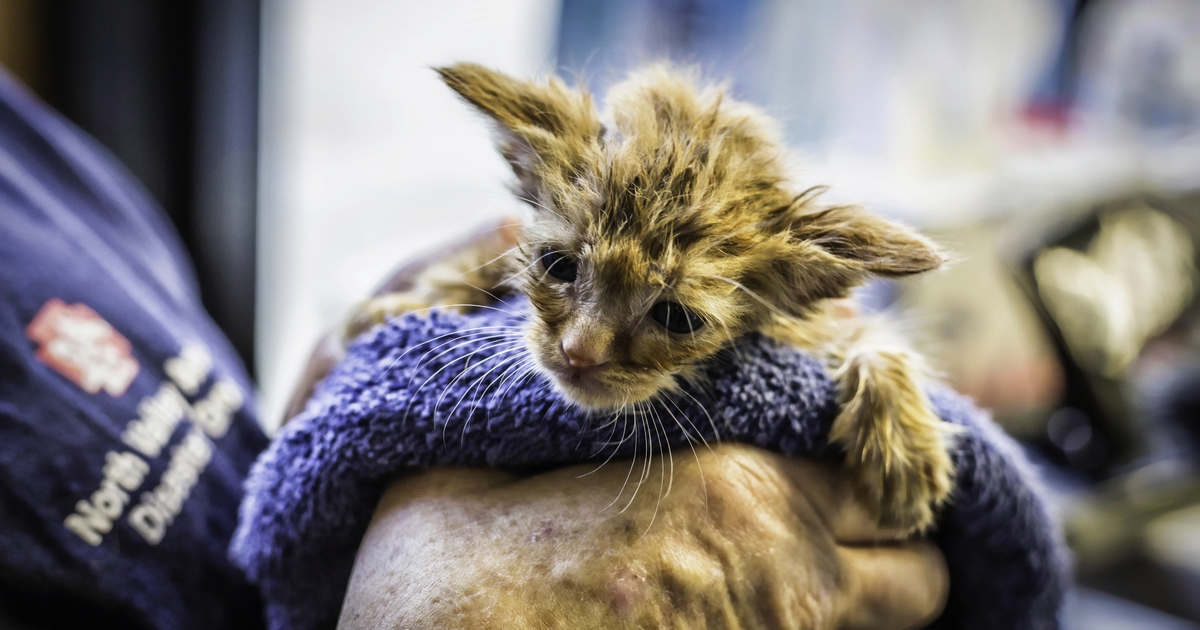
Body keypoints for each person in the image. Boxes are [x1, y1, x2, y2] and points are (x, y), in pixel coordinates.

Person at [0, 64, 948, 629]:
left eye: (673, 317)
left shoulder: (31, 153)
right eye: (560, 269)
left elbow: (839, 343)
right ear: (528, 172)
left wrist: (883, 373)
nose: (577, 345)